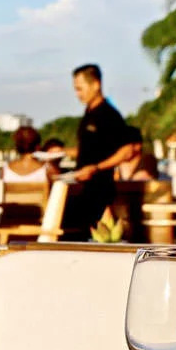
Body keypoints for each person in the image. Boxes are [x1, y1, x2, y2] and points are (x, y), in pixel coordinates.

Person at [65, 64, 130, 234]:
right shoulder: (88, 114)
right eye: (75, 89)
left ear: (96, 84)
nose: (77, 94)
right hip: (83, 190)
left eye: (80, 89)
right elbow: (90, 150)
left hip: (100, 192)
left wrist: (96, 168)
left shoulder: (109, 115)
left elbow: (126, 151)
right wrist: (63, 152)